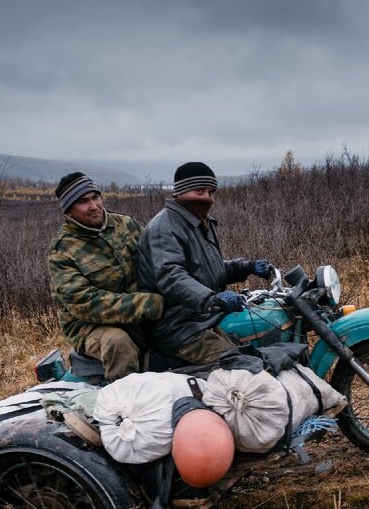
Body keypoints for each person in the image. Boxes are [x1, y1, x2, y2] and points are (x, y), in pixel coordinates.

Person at [137, 161, 272, 364]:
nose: (208, 198)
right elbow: (171, 277)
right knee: (242, 368)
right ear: (180, 192)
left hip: (202, 319)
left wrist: (247, 267)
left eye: (211, 192)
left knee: (254, 355)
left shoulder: (198, 222)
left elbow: (207, 269)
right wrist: (212, 299)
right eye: (200, 191)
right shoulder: (164, 228)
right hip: (178, 327)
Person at [47, 172, 164, 380]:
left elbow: (159, 260)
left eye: (95, 197)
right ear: (69, 211)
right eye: (83, 202)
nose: (93, 206)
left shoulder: (125, 225)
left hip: (138, 314)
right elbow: (87, 303)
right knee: (117, 342)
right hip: (90, 325)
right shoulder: (61, 252)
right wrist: (147, 305)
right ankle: (127, 402)